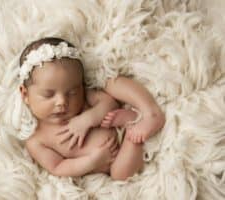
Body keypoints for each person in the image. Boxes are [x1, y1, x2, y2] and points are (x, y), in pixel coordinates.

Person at [20, 37, 165, 180]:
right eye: (48, 94)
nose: (62, 102)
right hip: (115, 158)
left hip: (113, 119)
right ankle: (132, 130)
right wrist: (93, 161)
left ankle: (149, 110)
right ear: (25, 94)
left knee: (110, 83)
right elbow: (58, 167)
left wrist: (87, 119)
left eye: (72, 92)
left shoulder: (82, 98)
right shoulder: (37, 141)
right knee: (120, 175)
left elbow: (109, 103)